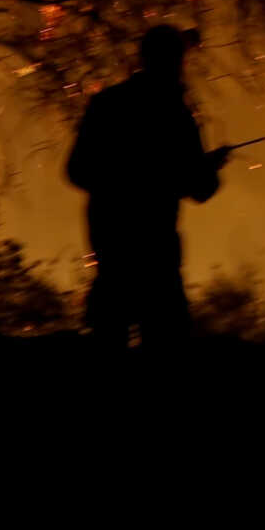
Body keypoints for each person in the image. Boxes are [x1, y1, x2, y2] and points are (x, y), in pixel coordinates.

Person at [65, 25, 233, 351]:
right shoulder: (176, 115)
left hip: (112, 249)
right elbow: (198, 189)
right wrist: (205, 169)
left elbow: (77, 170)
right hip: (155, 255)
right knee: (165, 340)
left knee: (109, 335)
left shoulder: (107, 104)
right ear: (176, 61)